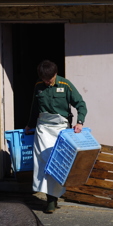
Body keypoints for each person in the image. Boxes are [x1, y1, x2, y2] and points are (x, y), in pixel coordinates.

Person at [25, 60, 87, 213]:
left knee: (57, 164)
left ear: (55, 74)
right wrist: (29, 124)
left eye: (50, 79)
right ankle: (50, 200)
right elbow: (34, 107)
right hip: (43, 128)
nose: (47, 82)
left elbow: (80, 104)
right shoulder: (38, 86)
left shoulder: (66, 85)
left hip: (60, 129)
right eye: (45, 80)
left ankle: (55, 196)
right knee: (43, 164)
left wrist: (80, 122)